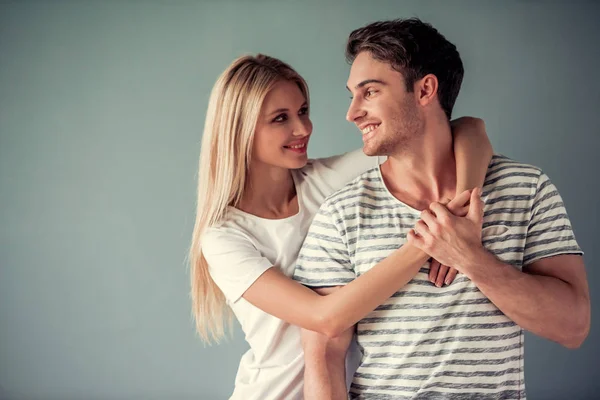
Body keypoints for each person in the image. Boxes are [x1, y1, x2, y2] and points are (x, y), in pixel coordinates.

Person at [295, 18, 591, 400]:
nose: (352, 113)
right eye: (352, 94)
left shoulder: (527, 189)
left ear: (426, 89)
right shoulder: (341, 214)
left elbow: (573, 327)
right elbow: (323, 360)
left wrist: (471, 258)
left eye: (369, 92)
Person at [189, 53, 493, 400]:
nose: (303, 129)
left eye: (303, 111)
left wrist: (462, 211)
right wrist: (433, 237)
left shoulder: (324, 181)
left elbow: (467, 129)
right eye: (280, 118)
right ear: (239, 130)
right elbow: (325, 318)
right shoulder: (224, 239)